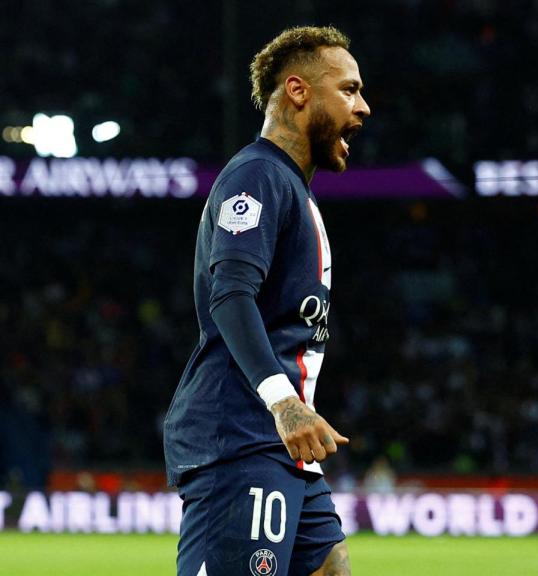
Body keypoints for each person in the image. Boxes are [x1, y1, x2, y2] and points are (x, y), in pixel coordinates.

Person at [163, 25, 370, 576]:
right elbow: (231, 294)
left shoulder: (289, 184)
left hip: (282, 446)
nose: (363, 107)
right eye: (349, 90)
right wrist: (284, 403)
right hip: (243, 439)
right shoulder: (258, 175)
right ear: (298, 91)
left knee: (331, 568)